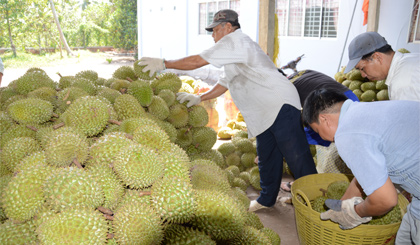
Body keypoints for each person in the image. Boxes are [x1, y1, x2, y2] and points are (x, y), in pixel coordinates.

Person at [139, 9, 317, 212]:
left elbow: (198, 61)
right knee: (268, 155)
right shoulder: (234, 54)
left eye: (215, 30)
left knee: (296, 155)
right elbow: (225, 83)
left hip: (279, 103)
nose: (212, 35)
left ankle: (313, 201)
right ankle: (266, 199)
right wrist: (200, 97)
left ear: (229, 27)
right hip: (264, 112)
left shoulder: (235, 41)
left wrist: (164, 63)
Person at [302, 88, 420, 243]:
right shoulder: (364, 111)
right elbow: (370, 173)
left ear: (324, 119)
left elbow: (385, 200)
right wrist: (343, 205)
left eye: (317, 131)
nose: (321, 137)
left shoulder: (347, 134)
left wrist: (354, 213)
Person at [344, 31, 420, 101]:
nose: (363, 75)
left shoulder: (402, 86)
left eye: (362, 68)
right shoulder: (412, 58)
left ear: (377, 57)